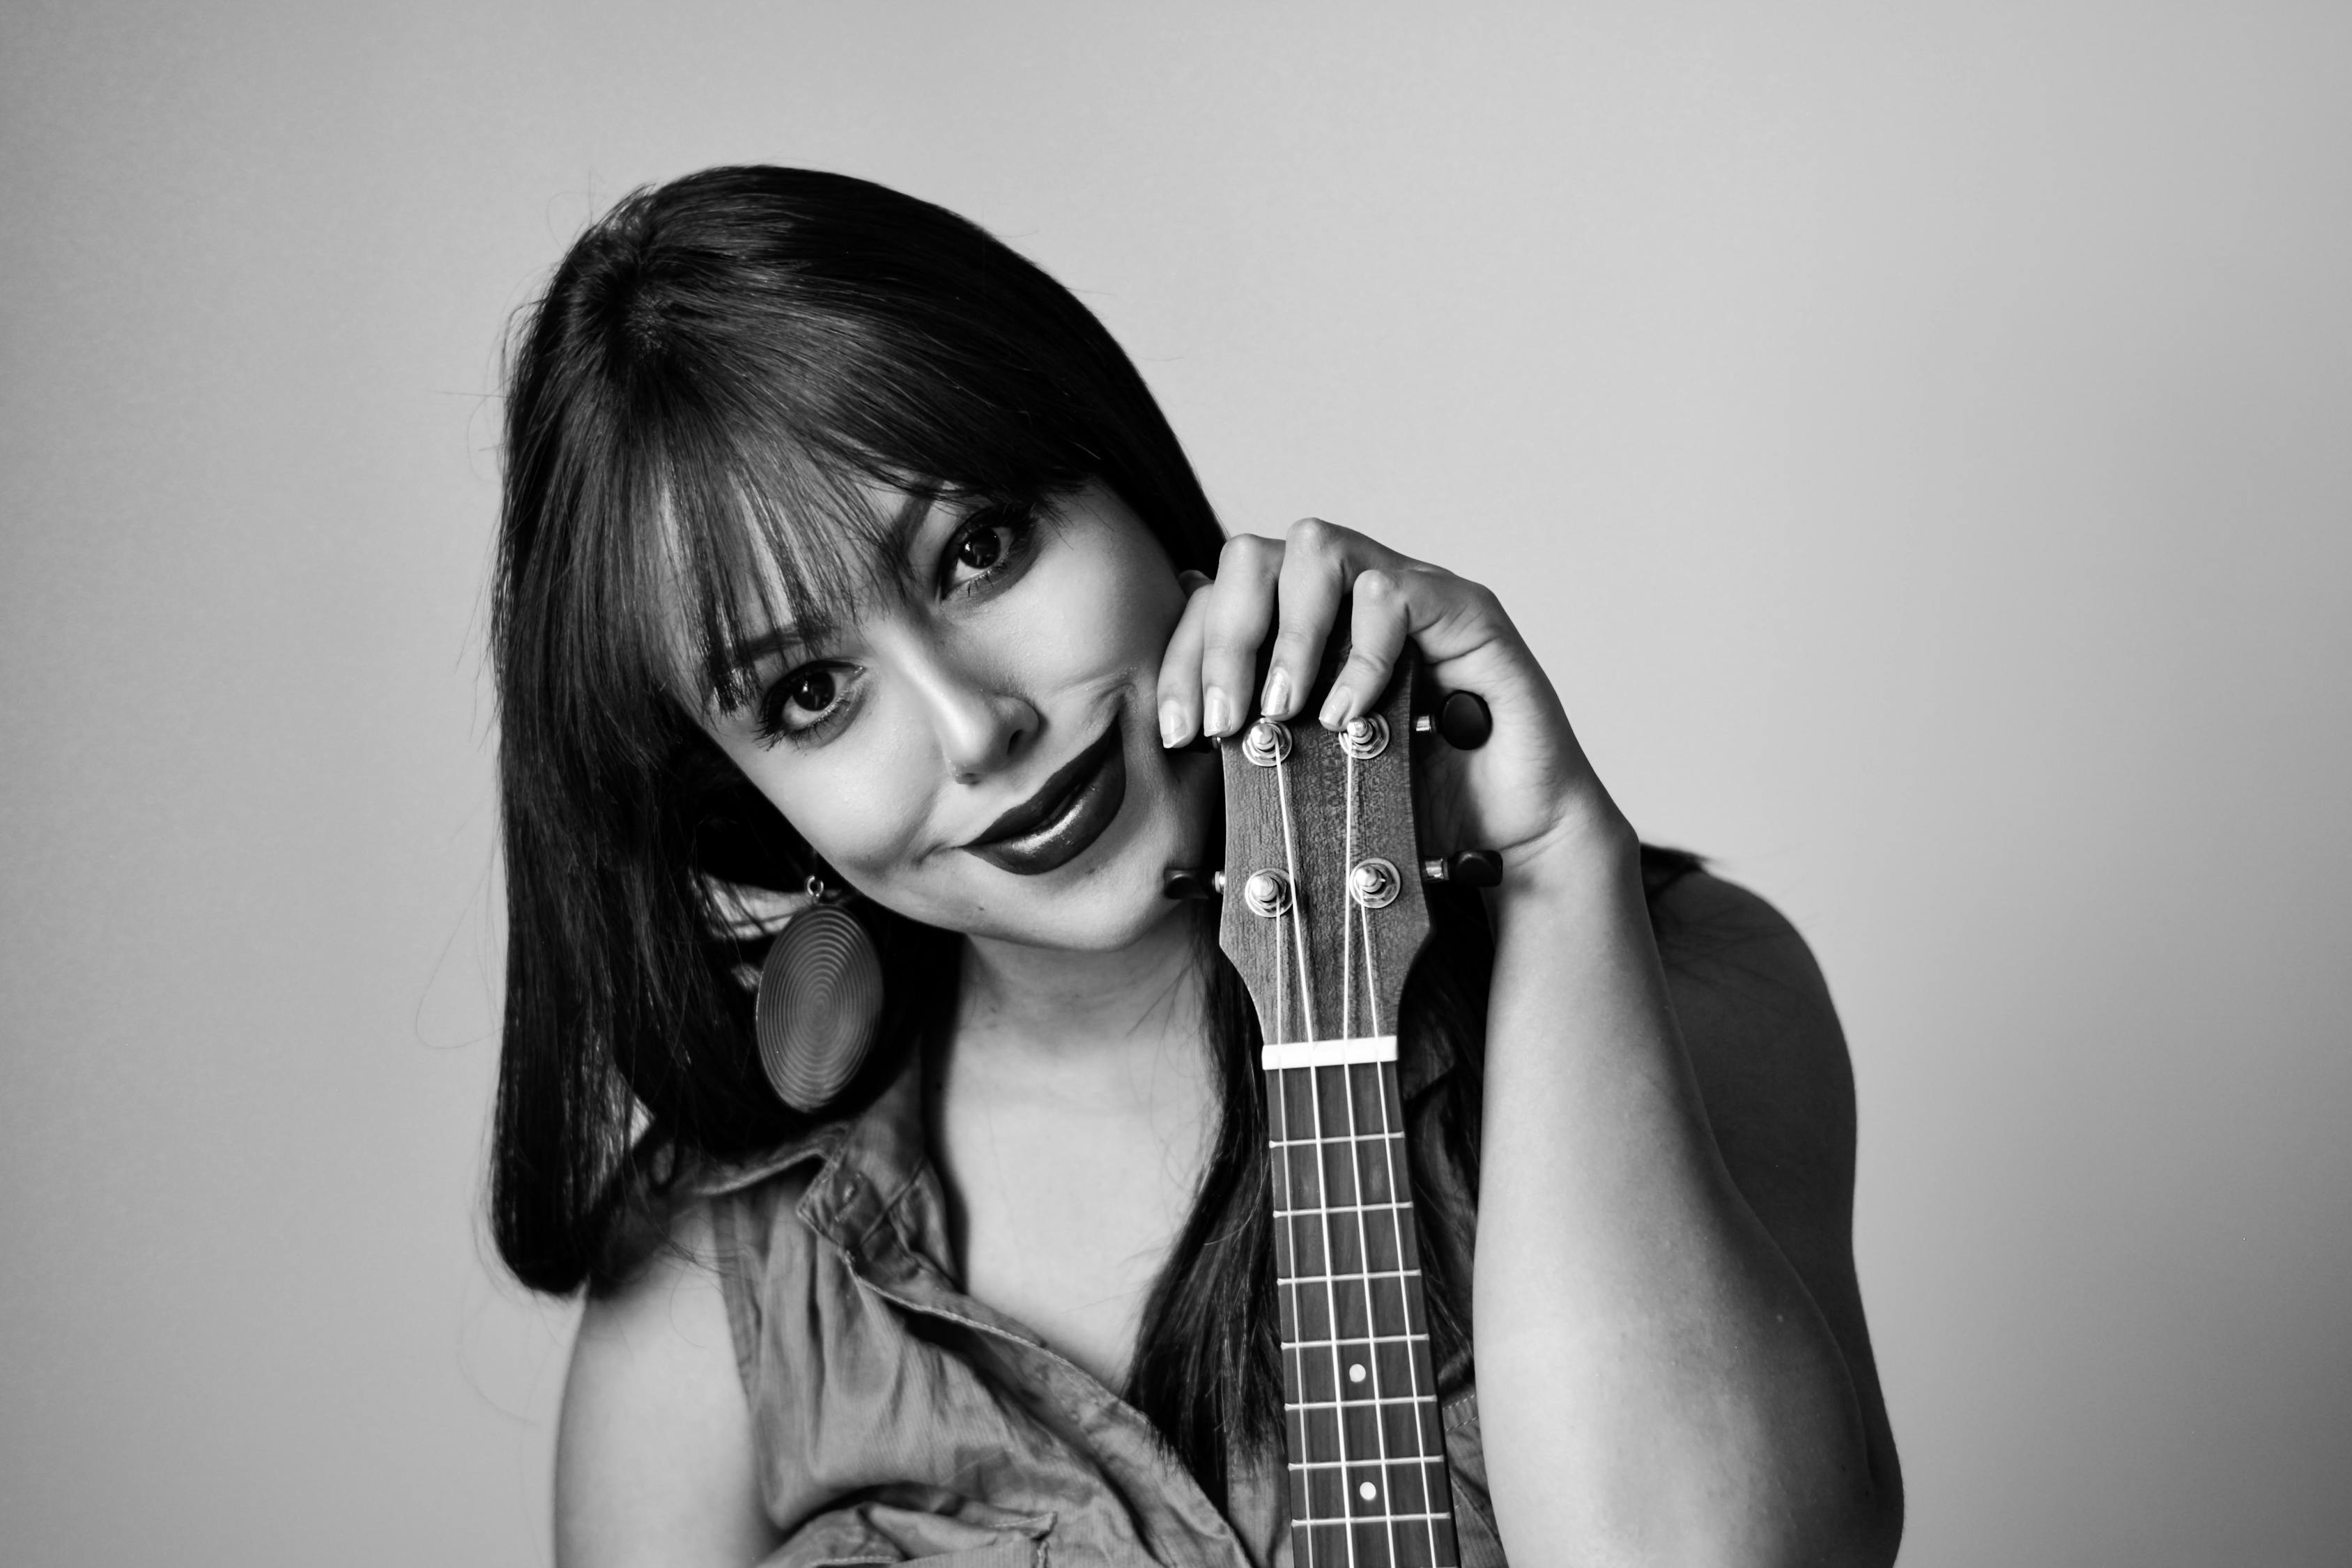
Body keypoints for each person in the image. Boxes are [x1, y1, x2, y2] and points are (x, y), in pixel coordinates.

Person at [489, 164, 1902, 1568]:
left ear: (1119, 477)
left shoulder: (1681, 990)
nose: (977, 728)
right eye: (809, 693)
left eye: (979, 549)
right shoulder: (712, 1273)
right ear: (738, 789)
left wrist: (1551, 864)